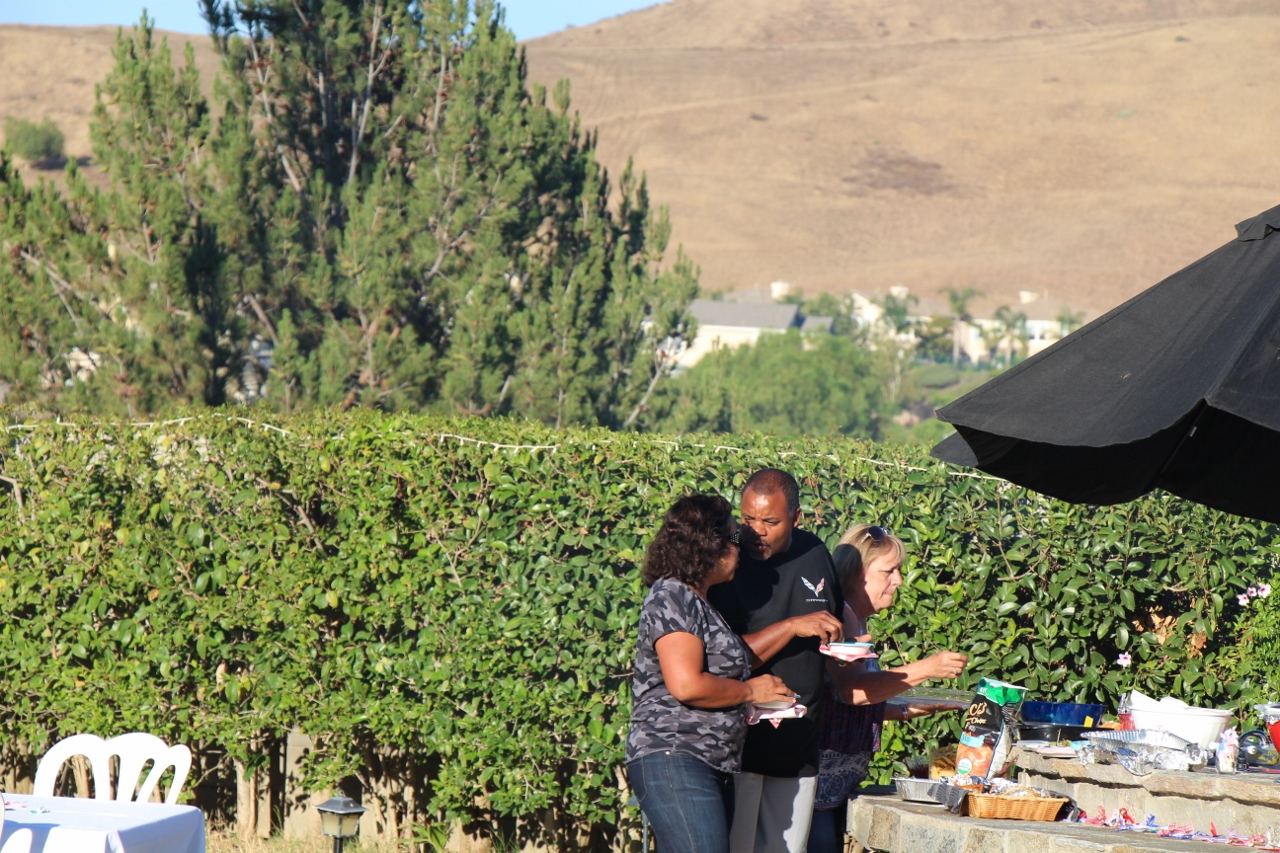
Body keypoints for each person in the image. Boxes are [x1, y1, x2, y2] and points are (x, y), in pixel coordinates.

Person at [627, 494, 796, 853]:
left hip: (712, 762)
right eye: (734, 538)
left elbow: (733, 662)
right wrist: (751, 692)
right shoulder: (672, 596)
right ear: (707, 545)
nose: (740, 548)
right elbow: (687, 685)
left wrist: (794, 628)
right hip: (676, 755)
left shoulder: (701, 603)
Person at [806, 523, 971, 853]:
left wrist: (906, 710)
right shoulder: (841, 616)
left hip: (832, 791)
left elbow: (840, 705)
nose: (898, 580)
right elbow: (852, 691)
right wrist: (929, 668)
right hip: (816, 790)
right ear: (857, 573)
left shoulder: (856, 618)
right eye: (889, 571)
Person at [708, 469, 845, 853]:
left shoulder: (816, 553)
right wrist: (792, 627)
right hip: (740, 745)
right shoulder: (727, 562)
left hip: (799, 743)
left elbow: (829, 631)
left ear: (796, 518)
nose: (756, 531)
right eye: (748, 518)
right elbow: (724, 658)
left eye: (770, 521)